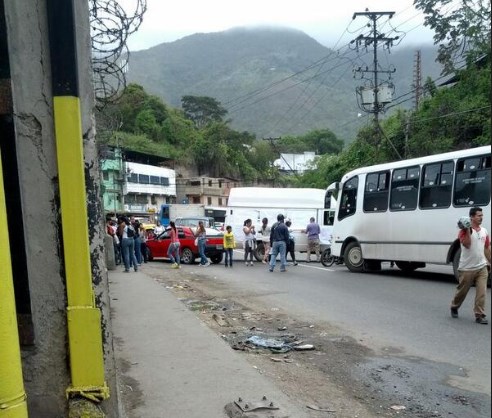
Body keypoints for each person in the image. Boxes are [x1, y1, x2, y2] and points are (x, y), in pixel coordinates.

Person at [450, 207, 491, 324]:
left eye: (482, 215)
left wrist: (490, 261)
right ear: (472, 217)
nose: (481, 217)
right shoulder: (463, 231)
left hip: (481, 267)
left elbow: (486, 248)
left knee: (482, 292)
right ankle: (454, 306)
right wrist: (467, 229)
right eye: (479, 215)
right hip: (467, 268)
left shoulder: (484, 231)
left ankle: (479, 315)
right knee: (462, 292)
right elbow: (467, 244)